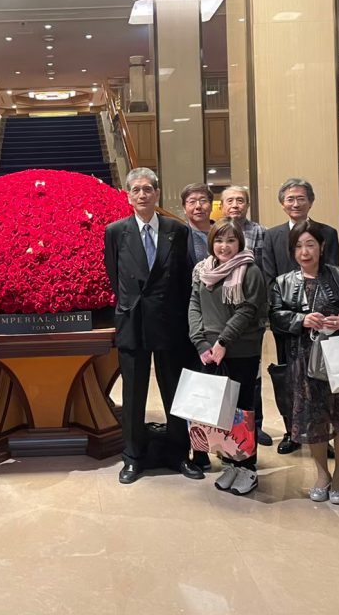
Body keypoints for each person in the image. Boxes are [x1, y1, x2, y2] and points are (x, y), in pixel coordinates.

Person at [103, 167, 204, 485]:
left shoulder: (177, 230)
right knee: (133, 395)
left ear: (157, 194)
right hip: (133, 322)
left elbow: (184, 277)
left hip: (169, 322)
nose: (142, 195)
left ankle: (179, 454)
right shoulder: (116, 231)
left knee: (174, 390)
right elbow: (114, 275)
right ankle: (133, 457)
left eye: (148, 189)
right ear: (128, 196)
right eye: (136, 190)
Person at [269, 220, 339, 505]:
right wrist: (301, 319)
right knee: (314, 421)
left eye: (310, 244)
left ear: (322, 247)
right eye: (298, 246)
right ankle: (322, 474)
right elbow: (274, 315)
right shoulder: (283, 282)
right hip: (304, 362)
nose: (305, 252)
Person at [188, 218, 268, 496]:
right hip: (210, 351)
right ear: (211, 243)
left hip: (241, 349)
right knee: (220, 410)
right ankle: (231, 463)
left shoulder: (250, 270)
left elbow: (248, 310)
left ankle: (248, 468)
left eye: (231, 240)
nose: (225, 246)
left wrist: (223, 341)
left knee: (242, 410)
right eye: (219, 240)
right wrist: (200, 342)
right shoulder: (203, 269)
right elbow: (194, 304)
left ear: (239, 243)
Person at [262, 178, 339, 455]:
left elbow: (334, 274)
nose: (295, 203)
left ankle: (322, 435)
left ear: (311, 201)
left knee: (321, 379)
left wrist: (322, 312)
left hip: (322, 322)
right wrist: (289, 314)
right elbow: (269, 277)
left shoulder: (328, 233)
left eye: (301, 198)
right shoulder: (271, 236)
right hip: (288, 321)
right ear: (282, 204)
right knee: (288, 378)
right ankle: (291, 432)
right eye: (290, 199)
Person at [219, 185, 272, 446]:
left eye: (240, 200)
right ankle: (226, 429)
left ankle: (255, 425)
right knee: (224, 375)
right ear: (222, 205)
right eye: (230, 200)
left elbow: (263, 271)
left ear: (247, 205)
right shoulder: (218, 231)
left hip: (250, 313)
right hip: (221, 315)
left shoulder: (259, 231)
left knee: (253, 374)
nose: (235, 205)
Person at [181, 183, 213, 267]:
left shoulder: (222, 232)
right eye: (192, 202)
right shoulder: (180, 235)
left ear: (211, 206)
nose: (198, 206)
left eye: (203, 200)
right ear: (184, 208)